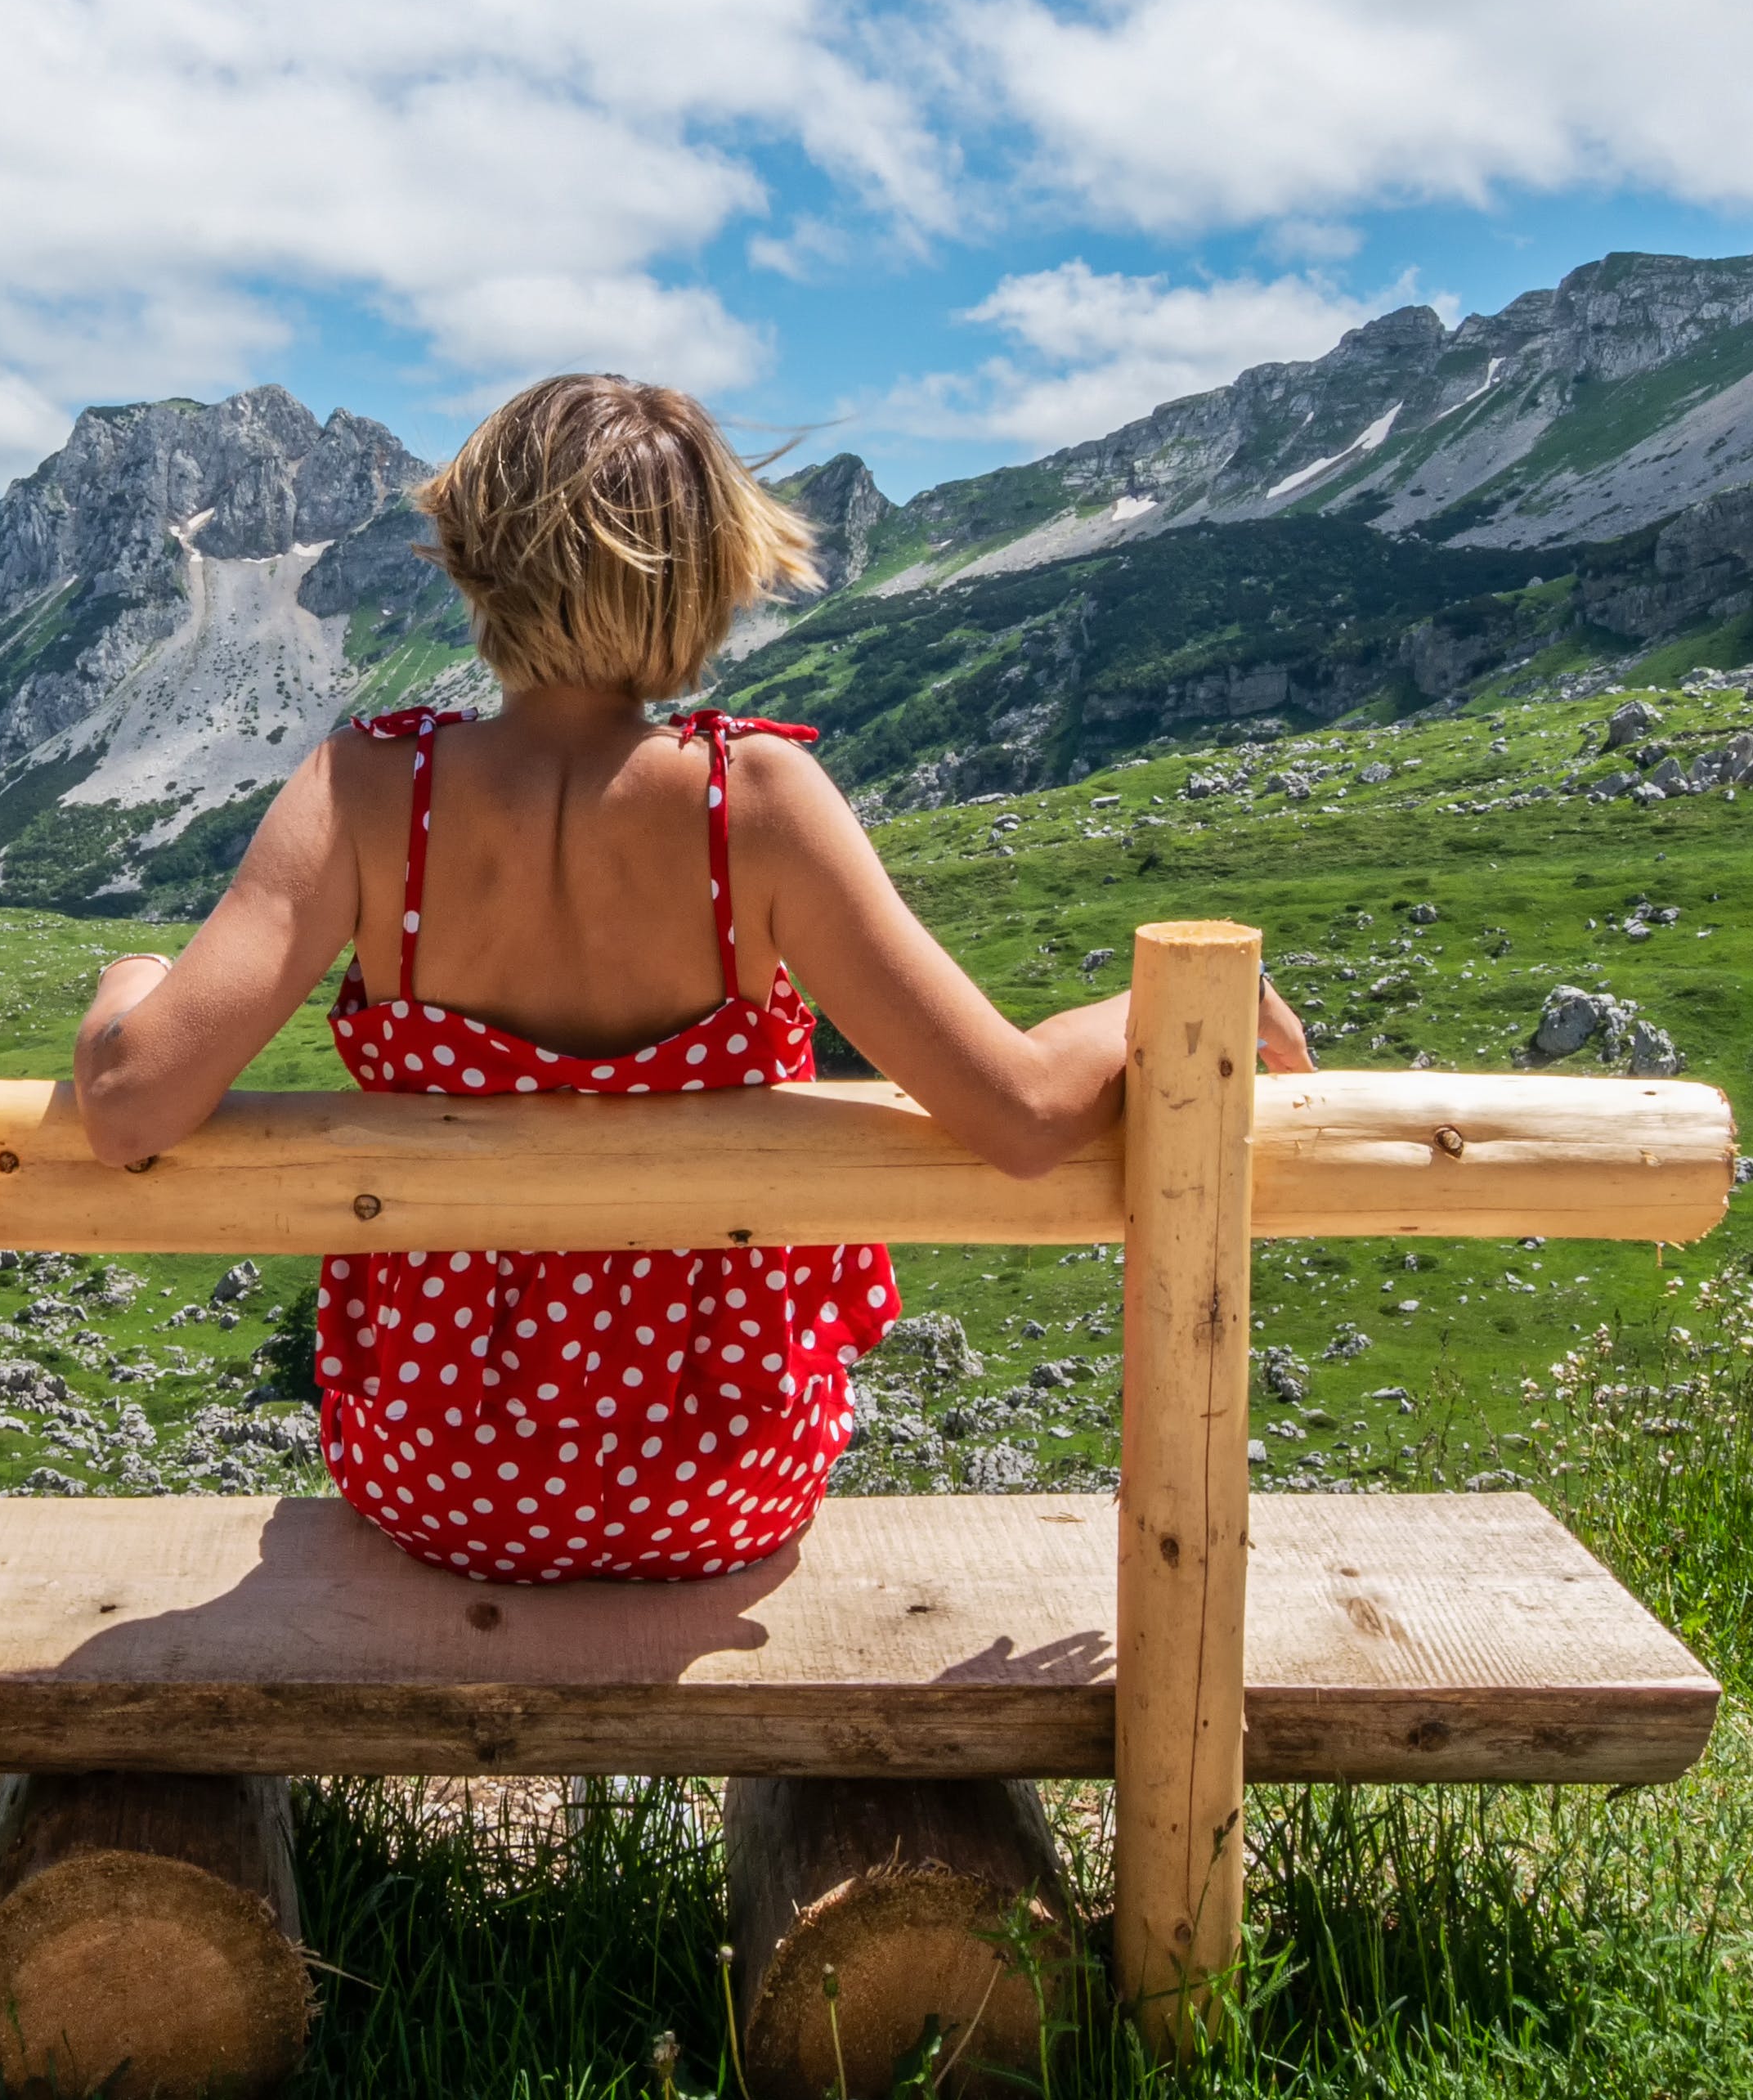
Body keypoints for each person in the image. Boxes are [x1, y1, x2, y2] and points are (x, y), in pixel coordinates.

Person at [72, 373, 1309, 1583]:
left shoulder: (362, 788)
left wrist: (132, 974)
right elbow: (1028, 1113)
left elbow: (129, 1105)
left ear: (471, 564)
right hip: (723, 1470)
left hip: (432, 1472)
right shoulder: (755, 799)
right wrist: (1171, 1000)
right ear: (712, 580)